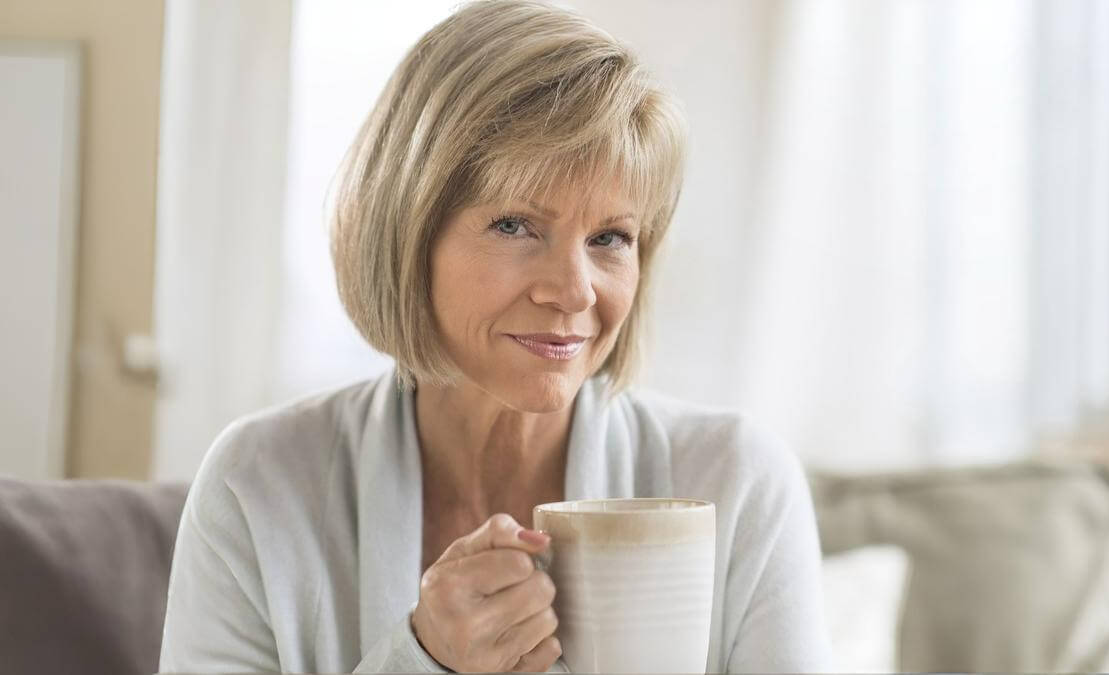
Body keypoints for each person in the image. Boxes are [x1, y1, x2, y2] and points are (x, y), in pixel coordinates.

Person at [158, 0, 831, 672]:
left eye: (609, 238)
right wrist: (422, 657)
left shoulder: (739, 484)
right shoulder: (258, 487)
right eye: (515, 225)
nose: (574, 291)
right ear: (407, 233)